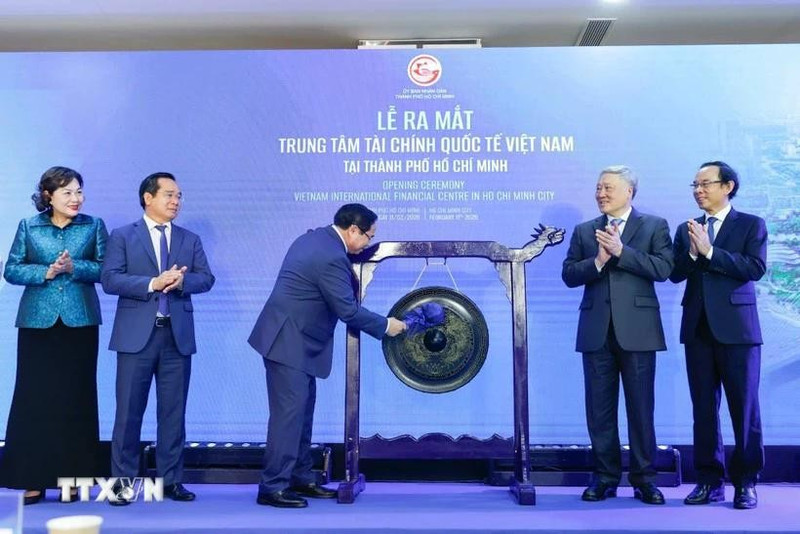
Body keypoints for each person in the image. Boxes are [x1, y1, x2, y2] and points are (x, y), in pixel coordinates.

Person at [248, 203, 407, 508]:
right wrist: (387, 325)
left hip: (295, 340)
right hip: (288, 341)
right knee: (288, 419)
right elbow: (347, 310)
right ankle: (272, 487)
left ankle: (301, 478)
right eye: (368, 237)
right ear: (353, 230)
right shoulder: (331, 256)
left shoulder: (316, 238)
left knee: (302, 415)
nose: (368, 244)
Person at [561, 165, 673, 505]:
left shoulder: (654, 226)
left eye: (608, 187)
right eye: (598, 188)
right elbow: (568, 274)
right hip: (596, 332)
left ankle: (644, 479)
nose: (601, 194)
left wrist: (622, 252)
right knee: (600, 411)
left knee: (641, 409)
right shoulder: (584, 231)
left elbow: (664, 269)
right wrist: (597, 260)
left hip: (638, 332)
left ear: (629, 192)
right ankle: (605, 477)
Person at [101, 172, 214, 505]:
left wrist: (180, 283)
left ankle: (170, 481)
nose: (175, 201)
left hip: (176, 338)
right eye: (169, 195)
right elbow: (110, 279)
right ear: (147, 198)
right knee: (128, 415)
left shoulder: (189, 239)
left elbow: (206, 279)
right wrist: (153, 283)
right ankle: (121, 486)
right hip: (136, 338)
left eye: (179, 196)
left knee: (173, 413)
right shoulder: (122, 236)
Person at [0, 166, 107, 505]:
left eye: (79, 191)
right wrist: (46, 271)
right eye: (68, 193)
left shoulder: (93, 225)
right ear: (48, 196)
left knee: (75, 400)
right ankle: (31, 478)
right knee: (35, 401)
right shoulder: (28, 227)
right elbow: (12, 269)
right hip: (37, 323)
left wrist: (77, 267)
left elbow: (107, 268)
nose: (77, 199)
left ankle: (71, 480)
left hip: (79, 322)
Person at [669, 161, 766, 510]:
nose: (698, 190)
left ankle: (746, 482)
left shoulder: (751, 224)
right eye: (694, 184)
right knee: (703, 410)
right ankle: (709, 481)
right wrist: (694, 255)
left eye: (705, 183)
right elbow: (675, 274)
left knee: (744, 410)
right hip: (698, 330)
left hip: (738, 332)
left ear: (728, 186)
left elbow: (754, 268)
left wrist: (710, 252)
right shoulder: (687, 228)